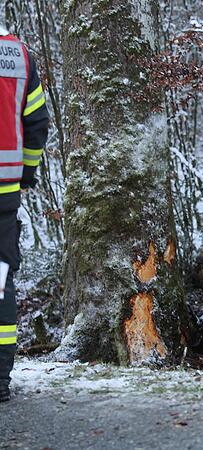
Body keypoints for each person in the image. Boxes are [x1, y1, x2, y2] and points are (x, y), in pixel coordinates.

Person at [0, 25, 49, 403]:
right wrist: (26, 173)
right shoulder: (19, 56)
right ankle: (0, 380)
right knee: (0, 280)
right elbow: (37, 123)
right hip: (4, 190)